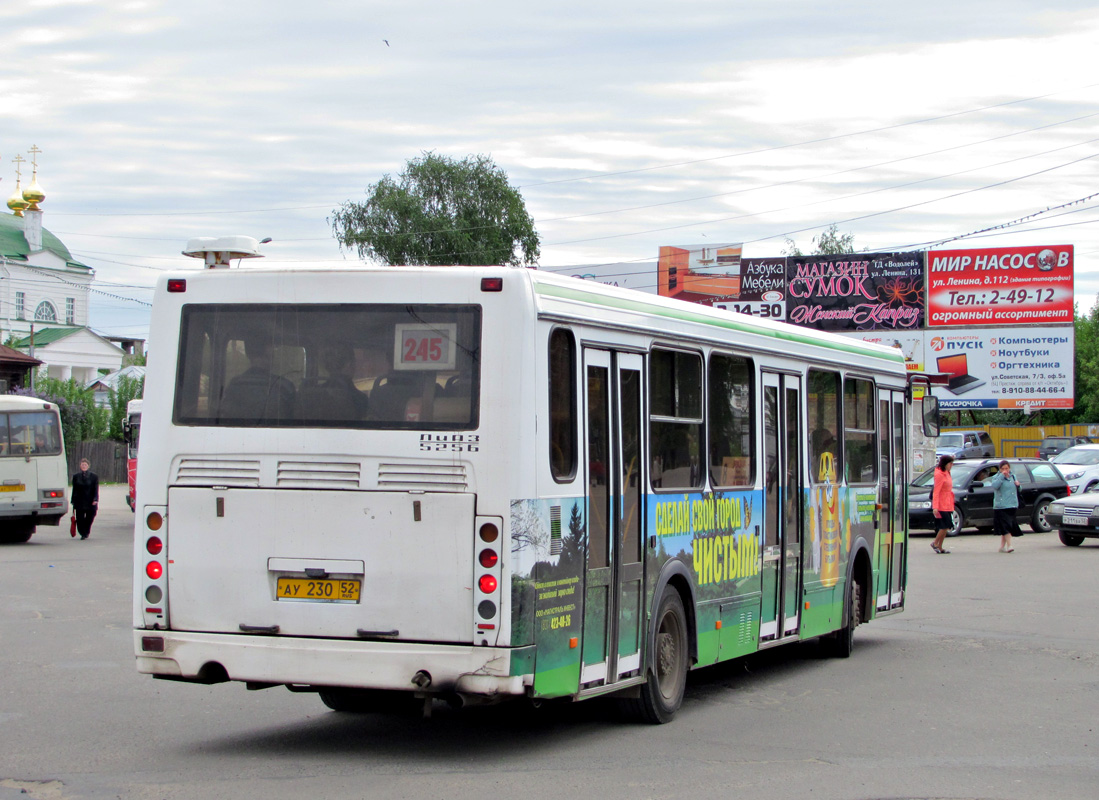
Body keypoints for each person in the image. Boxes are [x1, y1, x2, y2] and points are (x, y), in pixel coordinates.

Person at [989, 459, 1019, 553]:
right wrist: (1002, 476)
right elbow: (995, 486)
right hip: (1001, 506)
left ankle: (1002, 546)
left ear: (1009, 468)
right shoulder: (997, 477)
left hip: (1012, 504)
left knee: (1007, 526)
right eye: (1003, 469)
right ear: (1000, 469)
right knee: (1006, 526)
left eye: (1007, 468)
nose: (1005, 470)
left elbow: (1017, 489)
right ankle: (1009, 545)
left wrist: (1018, 485)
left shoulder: (1013, 476)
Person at [71, 458, 99, 540]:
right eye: (82, 465)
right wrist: (73, 500)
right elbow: (74, 489)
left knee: (90, 516)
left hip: (90, 500)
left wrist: (95, 499)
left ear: (88, 466)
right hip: (80, 500)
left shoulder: (94, 476)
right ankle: (83, 533)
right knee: (80, 518)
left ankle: (86, 531)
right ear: (80, 466)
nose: (84, 466)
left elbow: (95, 488)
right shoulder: (76, 476)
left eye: (85, 465)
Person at [931, 454, 954, 554]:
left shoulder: (947, 472)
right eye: (950, 463)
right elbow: (936, 491)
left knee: (947, 526)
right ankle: (935, 543)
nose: (951, 465)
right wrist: (935, 506)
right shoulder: (940, 474)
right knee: (945, 525)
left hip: (948, 502)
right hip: (941, 504)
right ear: (945, 464)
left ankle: (940, 546)